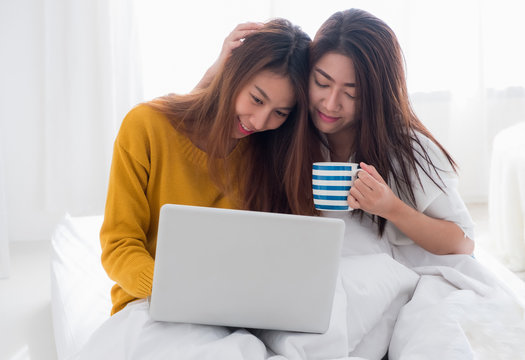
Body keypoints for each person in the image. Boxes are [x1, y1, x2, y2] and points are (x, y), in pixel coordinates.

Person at [99, 18, 312, 318]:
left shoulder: (269, 152)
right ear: (231, 72)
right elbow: (118, 248)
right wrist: (180, 289)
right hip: (148, 302)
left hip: (234, 312)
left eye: (279, 112)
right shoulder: (145, 126)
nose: (259, 122)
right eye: (256, 99)